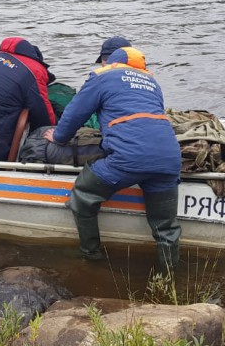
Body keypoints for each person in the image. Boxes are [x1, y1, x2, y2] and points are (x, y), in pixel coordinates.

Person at [44, 46, 182, 274]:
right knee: (166, 226)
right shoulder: (152, 83)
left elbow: (75, 113)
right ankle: (170, 276)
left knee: (83, 196)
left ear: (109, 62)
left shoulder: (103, 76)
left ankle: (91, 256)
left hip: (128, 157)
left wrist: (58, 137)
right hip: (168, 158)